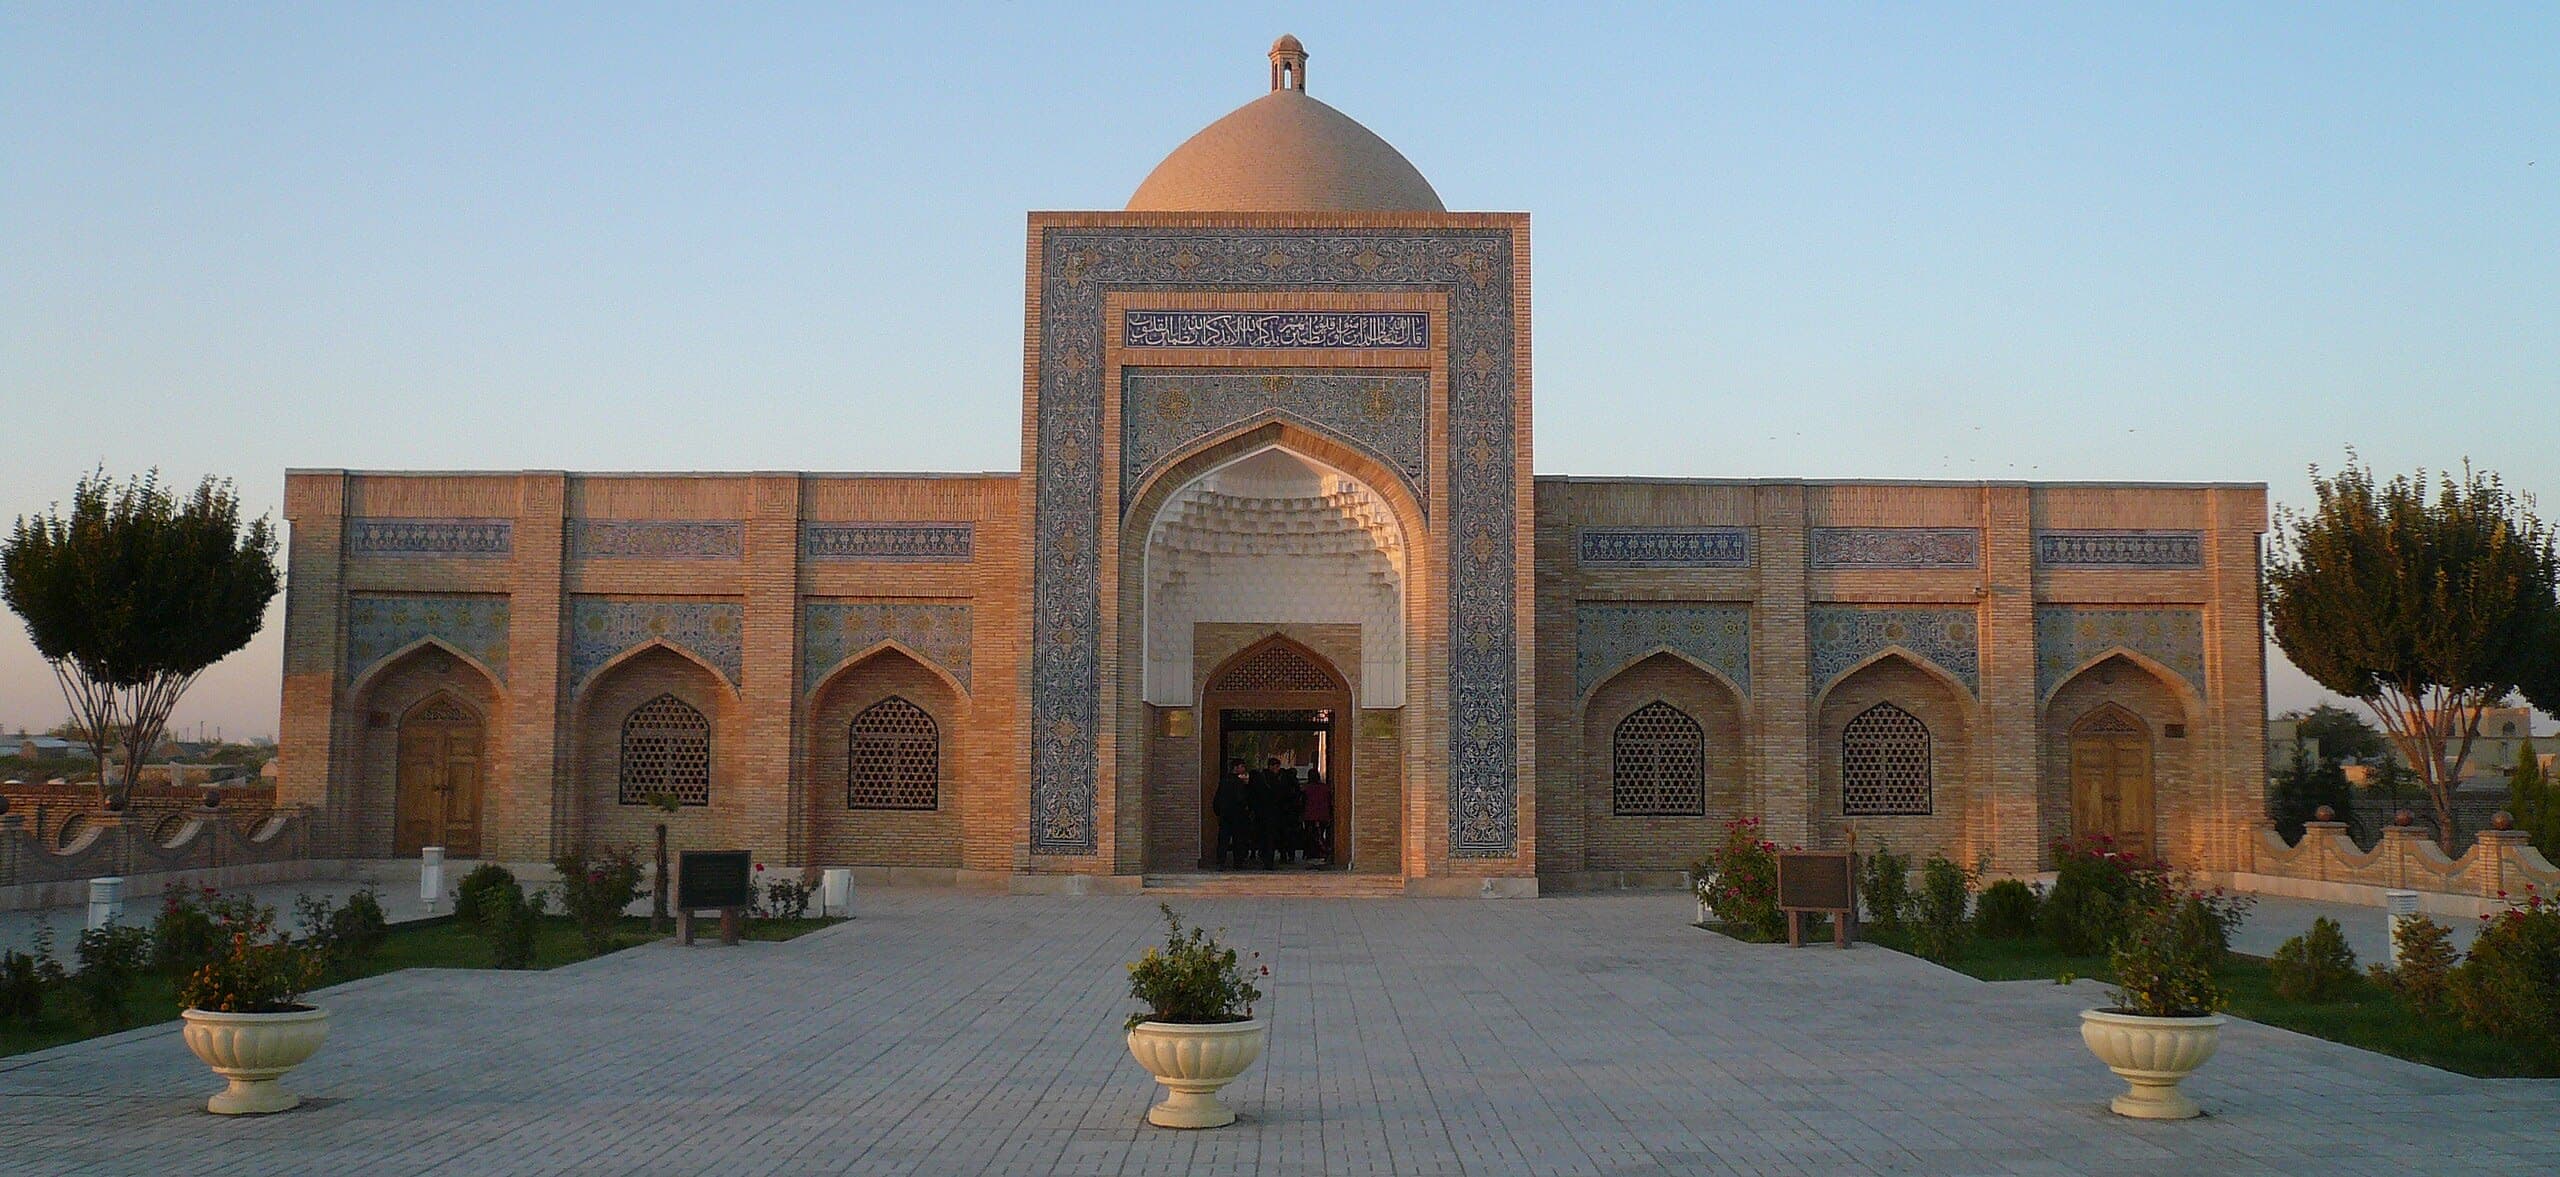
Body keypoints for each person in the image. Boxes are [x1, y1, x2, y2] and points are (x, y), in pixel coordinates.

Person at [1250, 755, 1295, 870]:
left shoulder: (1270, 778)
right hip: (1271, 813)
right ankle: (1268, 859)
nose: (1277, 769)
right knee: (1269, 837)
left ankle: (1269, 858)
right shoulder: (1268, 779)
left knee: (1271, 837)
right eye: (1275, 766)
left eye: (1278, 766)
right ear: (1271, 767)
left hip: (1271, 813)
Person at [1212, 759, 1251, 869]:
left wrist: (1218, 812)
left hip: (1225, 815)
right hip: (1237, 815)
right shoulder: (1238, 783)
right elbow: (1241, 799)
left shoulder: (1224, 781)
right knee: (1238, 840)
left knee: (1223, 839)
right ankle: (1237, 863)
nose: (1243, 769)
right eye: (1241, 767)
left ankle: (1221, 862)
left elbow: (1217, 798)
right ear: (1236, 768)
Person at [1300, 768, 1333, 864]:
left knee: (1310, 834)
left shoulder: (1306, 788)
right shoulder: (1325, 788)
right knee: (1321, 834)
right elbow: (1329, 801)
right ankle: (1321, 851)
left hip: (1309, 815)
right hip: (1323, 815)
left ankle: (1311, 852)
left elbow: (1303, 802)